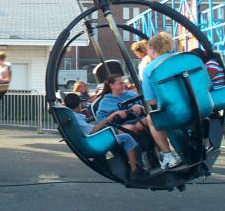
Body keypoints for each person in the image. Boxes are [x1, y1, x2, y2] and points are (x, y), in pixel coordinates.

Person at [64, 93, 146, 180]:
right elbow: (91, 131)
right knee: (127, 137)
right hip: (93, 141)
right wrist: (109, 118)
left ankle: (131, 164)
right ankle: (134, 170)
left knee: (121, 133)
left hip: (90, 140)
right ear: (79, 104)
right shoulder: (76, 118)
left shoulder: (71, 116)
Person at [141, 32, 182, 169]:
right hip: (198, 105)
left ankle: (168, 155)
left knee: (152, 119)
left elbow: (151, 101)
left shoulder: (149, 69)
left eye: (147, 49)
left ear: (152, 49)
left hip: (175, 111)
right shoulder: (181, 58)